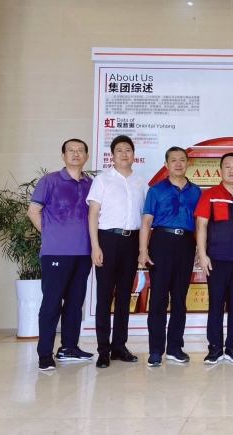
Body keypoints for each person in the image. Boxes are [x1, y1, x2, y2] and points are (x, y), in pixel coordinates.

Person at [27, 139, 94, 371]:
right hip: (55, 252)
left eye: (80, 151)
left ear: (86, 156)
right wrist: (51, 235)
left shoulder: (91, 183)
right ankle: (45, 353)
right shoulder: (50, 181)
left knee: (75, 303)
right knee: (52, 303)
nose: (76, 154)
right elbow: (33, 211)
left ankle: (69, 348)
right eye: (71, 151)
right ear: (63, 155)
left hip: (84, 253)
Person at [86, 135, 148, 368]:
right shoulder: (102, 180)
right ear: (112, 155)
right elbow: (92, 214)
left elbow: (145, 218)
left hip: (131, 241)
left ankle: (119, 346)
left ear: (134, 154)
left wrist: (142, 249)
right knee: (104, 296)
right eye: (119, 150)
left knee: (124, 296)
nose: (124, 154)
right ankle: (103, 349)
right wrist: (95, 246)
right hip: (107, 240)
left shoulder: (141, 182)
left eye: (128, 150)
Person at [138, 147, 201, 367]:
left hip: (186, 243)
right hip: (161, 242)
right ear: (166, 164)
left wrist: (199, 249)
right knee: (158, 298)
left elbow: (200, 223)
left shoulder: (196, 191)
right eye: (173, 160)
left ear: (188, 163)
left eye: (182, 160)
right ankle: (155, 350)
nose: (178, 164)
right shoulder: (156, 190)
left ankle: (175, 348)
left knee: (179, 298)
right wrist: (143, 250)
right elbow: (146, 221)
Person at [194, 153, 233, 364]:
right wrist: (202, 253)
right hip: (217, 259)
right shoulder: (209, 195)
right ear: (220, 170)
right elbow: (201, 225)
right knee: (216, 304)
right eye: (227, 166)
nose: (232, 170)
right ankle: (214, 348)